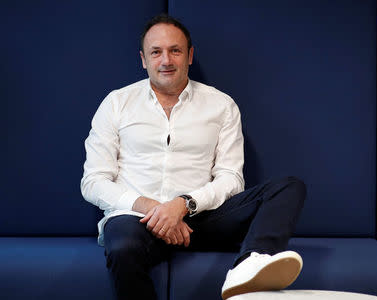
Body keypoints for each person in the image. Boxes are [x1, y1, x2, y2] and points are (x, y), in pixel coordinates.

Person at [81, 14, 306, 300]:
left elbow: (231, 179)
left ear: (189, 56)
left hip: (201, 219)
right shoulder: (116, 103)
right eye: (156, 52)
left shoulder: (221, 105)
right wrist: (155, 209)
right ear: (143, 59)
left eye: (175, 50)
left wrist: (183, 205)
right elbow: (94, 182)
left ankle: (250, 263)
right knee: (122, 245)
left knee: (288, 187)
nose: (166, 60)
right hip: (136, 220)